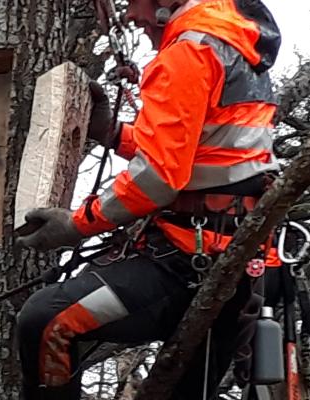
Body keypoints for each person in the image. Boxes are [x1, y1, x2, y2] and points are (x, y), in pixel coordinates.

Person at [15, 0, 282, 398]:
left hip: (194, 261)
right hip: (234, 259)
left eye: (134, 3)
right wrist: (113, 134)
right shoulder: (228, 40)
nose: (131, 17)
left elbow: (159, 177)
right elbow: (195, 149)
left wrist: (75, 225)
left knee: (47, 321)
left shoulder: (190, 51)